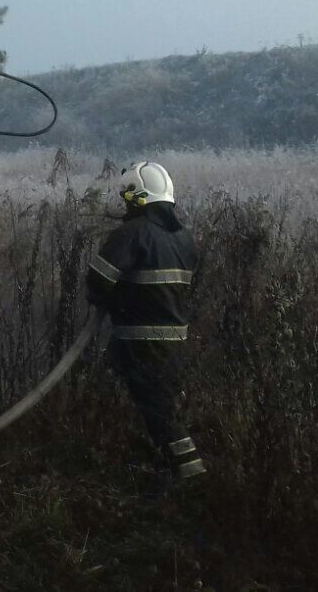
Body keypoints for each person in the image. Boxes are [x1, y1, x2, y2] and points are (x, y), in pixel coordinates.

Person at [86, 160, 205, 483]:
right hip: (175, 343)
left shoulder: (130, 234)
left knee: (159, 412)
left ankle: (193, 480)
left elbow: (96, 283)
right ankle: (161, 471)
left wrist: (108, 298)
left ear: (134, 197)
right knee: (161, 407)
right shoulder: (184, 239)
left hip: (140, 344)